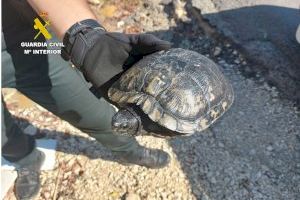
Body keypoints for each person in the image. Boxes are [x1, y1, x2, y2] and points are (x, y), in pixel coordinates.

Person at [2, 0, 172, 199]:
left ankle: (128, 151)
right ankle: (26, 159)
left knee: (95, 114)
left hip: (21, 40)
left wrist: (87, 37)